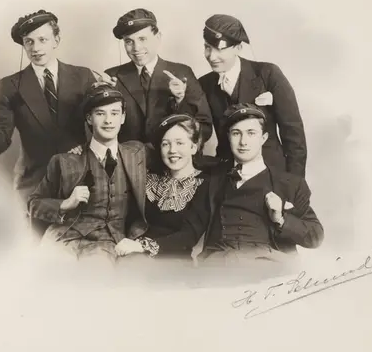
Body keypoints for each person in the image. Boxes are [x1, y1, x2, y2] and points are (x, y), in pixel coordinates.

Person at [119, 104, 323, 273]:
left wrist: (280, 218)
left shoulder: (288, 184)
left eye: (251, 133)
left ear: (263, 138)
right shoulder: (214, 179)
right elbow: (190, 229)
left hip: (266, 267)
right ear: (228, 137)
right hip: (216, 267)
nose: (243, 141)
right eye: (236, 133)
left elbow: (315, 237)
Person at [0, 9, 96, 236]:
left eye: (42, 40)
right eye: (29, 42)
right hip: (35, 186)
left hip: (80, 180)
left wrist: (84, 147)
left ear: (56, 40)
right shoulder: (10, 85)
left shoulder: (83, 77)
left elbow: (104, 126)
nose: (35, 48)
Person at [27, 82, 148, 260]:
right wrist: (65, 204)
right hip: (62, 239)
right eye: (100, 113)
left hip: (107, 242)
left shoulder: (137, 154)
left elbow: (176, 148)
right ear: (89, 118)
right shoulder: (64, 161)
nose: (108, 120)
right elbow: (33, 204)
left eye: (114, 113)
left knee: (93, 273)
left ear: (123, 117)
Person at [199, 14, 308, 177]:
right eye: (207, 47)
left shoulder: (268, 74)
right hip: (227, 175)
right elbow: (196, 131)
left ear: (238, 48)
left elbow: (293, 132)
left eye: (220, 49)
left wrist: (294, 183)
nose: (211, 56)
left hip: (272, 173)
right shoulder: (204, 84)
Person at [105, 8, 213, 147]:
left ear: (158, 38)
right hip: (127, 157)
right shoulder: (112, 77)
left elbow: (204, 127)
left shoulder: (182, 73)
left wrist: (180, 101)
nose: (136, 48)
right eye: (129, 41)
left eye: (142, 39)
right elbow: (98, 128)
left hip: (172, 157)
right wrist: (99, 98)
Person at [114, 114, 210, 259]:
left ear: (193, 147)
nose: (172, 150)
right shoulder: (150, 180)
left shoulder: (205, 184)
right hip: (135, 255)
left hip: (174, 261)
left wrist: (143, 246)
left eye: (180, 143)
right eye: (166, 144)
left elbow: (189, 236)